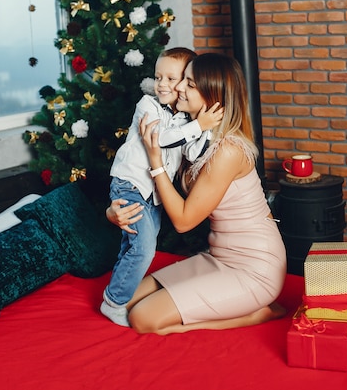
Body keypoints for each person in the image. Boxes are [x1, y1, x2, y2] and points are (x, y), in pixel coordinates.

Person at [107, 52, 287, 335]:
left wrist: (156, 163)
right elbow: (135, 178)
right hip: (217, 257)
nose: (178, 87)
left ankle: (255, 314)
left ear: (211, 95)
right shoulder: (188, 135)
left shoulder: (227, 150)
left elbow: (183, 221)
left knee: (143, 319)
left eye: (189, 84)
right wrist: (112, 210)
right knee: (128, 298)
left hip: (253, 268)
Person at [101, 47, 224, 327]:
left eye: (172, 78)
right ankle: (114, 301)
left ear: (185, 83)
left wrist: (205, 128)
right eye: (159, 78)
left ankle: (120, 291)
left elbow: (192, 154)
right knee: (144, 248)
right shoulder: (148, 105)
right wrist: (198, 126)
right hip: (131, 184)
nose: (163, 85)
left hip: (153, 193)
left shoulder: (185, 118)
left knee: (132, 246)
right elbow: (160, 140)